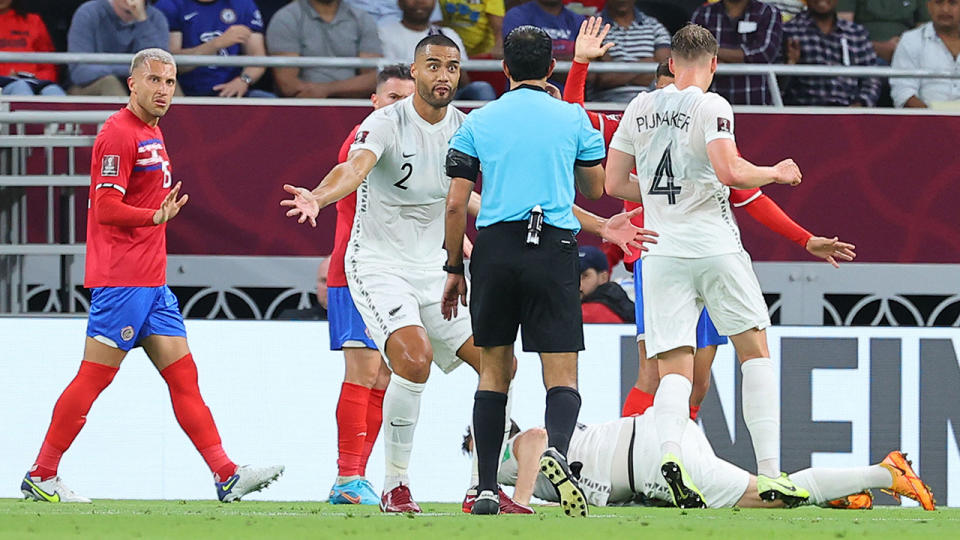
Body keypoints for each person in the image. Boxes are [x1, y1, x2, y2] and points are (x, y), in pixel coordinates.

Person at [20, 48, 283, 504]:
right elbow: (104, 207)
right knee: (93, 378)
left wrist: (152, 222)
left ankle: (225, 473)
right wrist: (152, 217)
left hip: (151, 282)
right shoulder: (118, 134)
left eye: (170, 81)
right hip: (123, 280)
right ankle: (41, 474)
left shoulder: (151, 132)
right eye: (155, 80)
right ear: (133, 84)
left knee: (185, 379)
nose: (164, 89)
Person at [566, 19, 856, 419]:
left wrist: (805, 240)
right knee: (655, 373)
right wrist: (580, 63)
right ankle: (632, 465)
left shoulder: (702, 134)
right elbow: (574, 121)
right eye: (667, 88)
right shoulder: (634, 123)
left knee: (699, 380)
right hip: (660, 256)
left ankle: (677, 461)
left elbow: (748, 197)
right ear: (658, 86)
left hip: (704, 253)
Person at [605, 23, 808, 509]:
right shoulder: (712, 105)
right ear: (713, 64)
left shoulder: (639, 106)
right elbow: (729, 171)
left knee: (674, 366)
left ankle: (670, 454)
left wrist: (656, 195)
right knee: (753, 349)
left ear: (671, 64)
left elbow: (613, 183)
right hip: (714, 247)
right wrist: (776, 173)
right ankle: (770, 473)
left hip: (660, 251)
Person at [442, 25, 613, 517]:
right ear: (551, 69)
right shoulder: (572, 118)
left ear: (504, 70)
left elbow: (456, 205)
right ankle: (556, 450)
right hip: (553, 245)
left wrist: (455, 264)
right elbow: (596, 188)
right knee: (561, 372)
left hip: (495, 247)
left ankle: (487, 489)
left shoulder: (478, 120)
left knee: (493, 374)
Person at [468, 414, 936, 511]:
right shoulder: (566, 436)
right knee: (762, 491)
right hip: (656, 441)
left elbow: (531, 440)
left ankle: (885, 472)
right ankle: (846, 489)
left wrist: (521, 500)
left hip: (648, 460)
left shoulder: (507, 456)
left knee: (770, 496)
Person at [325, 64, 413, 506]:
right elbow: (348, 177)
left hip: (390, 273)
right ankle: (346, 475)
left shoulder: (409, 142)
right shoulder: (366, 139)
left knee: (383, 375)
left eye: (406, 98)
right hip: (355, 271)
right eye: (392, 97)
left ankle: (354, 478)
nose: (400, 106)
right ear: (375, 101)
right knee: (362, 372)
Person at [378, 0, 497, 100]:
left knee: (482, 89)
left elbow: (462, 79)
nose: (420, 2)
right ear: (400, 3)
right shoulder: (384, 32)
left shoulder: (448, 34)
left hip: (446, 97)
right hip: (408, 97)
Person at [155, 0, 274, 97]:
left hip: (233, 89)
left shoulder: (243, 4)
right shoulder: (170, 4)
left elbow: (258, 57)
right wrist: (216, 44)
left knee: (267, 100)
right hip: (186, 91)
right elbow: (173, 63)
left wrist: (243, 81)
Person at [266, 0, 382, 98]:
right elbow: (288, 85)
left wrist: (325, 90)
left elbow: (373, 79)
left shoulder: (363, 19)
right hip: (303, 106)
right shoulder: (286, 18)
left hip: (352, 105)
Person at [782, 0, 880, 107]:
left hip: (851, 116)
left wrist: (860, 105)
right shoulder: (789, 31)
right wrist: (790, 64)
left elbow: (872, 80)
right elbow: (778, 88)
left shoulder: (856, 33)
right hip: (805, 115)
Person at [66, 0, 169, 96]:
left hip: (138, 87)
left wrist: (142, 21)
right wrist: (132, 70)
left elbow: (158, 69)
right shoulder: (88, 13)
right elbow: (79, 73)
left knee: (167, 85)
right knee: (110, 83)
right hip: (88, 88)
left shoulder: (156, 18)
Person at [690, 0, 783, 105]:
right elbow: (693, 53)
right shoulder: (703, 13)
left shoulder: (767, 12)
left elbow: (763, 53)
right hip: (710, 106)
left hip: (756, 104)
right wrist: (741, 57)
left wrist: (712, 53)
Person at [589, 0, 671, 102]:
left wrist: (617, 73)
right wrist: (647, 65)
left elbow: (665, 76)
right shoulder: (593, 26)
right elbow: (601, 78)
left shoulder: (655, 27)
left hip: (650, 105)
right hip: (607, 105)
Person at [891, 0, 960, 108]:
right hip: (925, 120)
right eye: (938, 2)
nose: (945, 9)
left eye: (952, 3)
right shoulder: (910, 40)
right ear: (928, 6)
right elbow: (903, 92)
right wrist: (931, 118)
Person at [0, 0, 65, 96]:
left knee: (54, 91)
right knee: (21, 88)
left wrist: (32, 76)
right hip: (6, 84)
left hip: (35, 80)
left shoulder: (33, 21)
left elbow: (48, 65)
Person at [838, 0, 929, 64]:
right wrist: (876, 48)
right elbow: (842, 32)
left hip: (908, 57)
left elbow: (926, 31)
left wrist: (903, 49)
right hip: (863, 56)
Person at [502, 0, 584, 61]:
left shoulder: (578, 20)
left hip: (573, 83)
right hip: (530, 84)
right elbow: (522, 61)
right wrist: (572, 62)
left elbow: (590, 73)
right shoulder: (516, 15)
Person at [578, 245, 634, 324]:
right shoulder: (620, 303)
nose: (578, 284)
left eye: (585, 276)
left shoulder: (588, 314)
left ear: (603, 277)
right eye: (572, 275)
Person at [439, 0, 504, 57]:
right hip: (448, 52)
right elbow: (436, 22)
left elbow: (498, 27)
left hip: (481, 55)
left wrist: (498, 47)